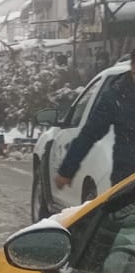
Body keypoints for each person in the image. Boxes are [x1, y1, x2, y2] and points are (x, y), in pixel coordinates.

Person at [54, 49, 135, 192]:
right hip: (127, 180)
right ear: (132, 67)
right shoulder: (116, 95)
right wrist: (67, 170)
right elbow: (89, 133)